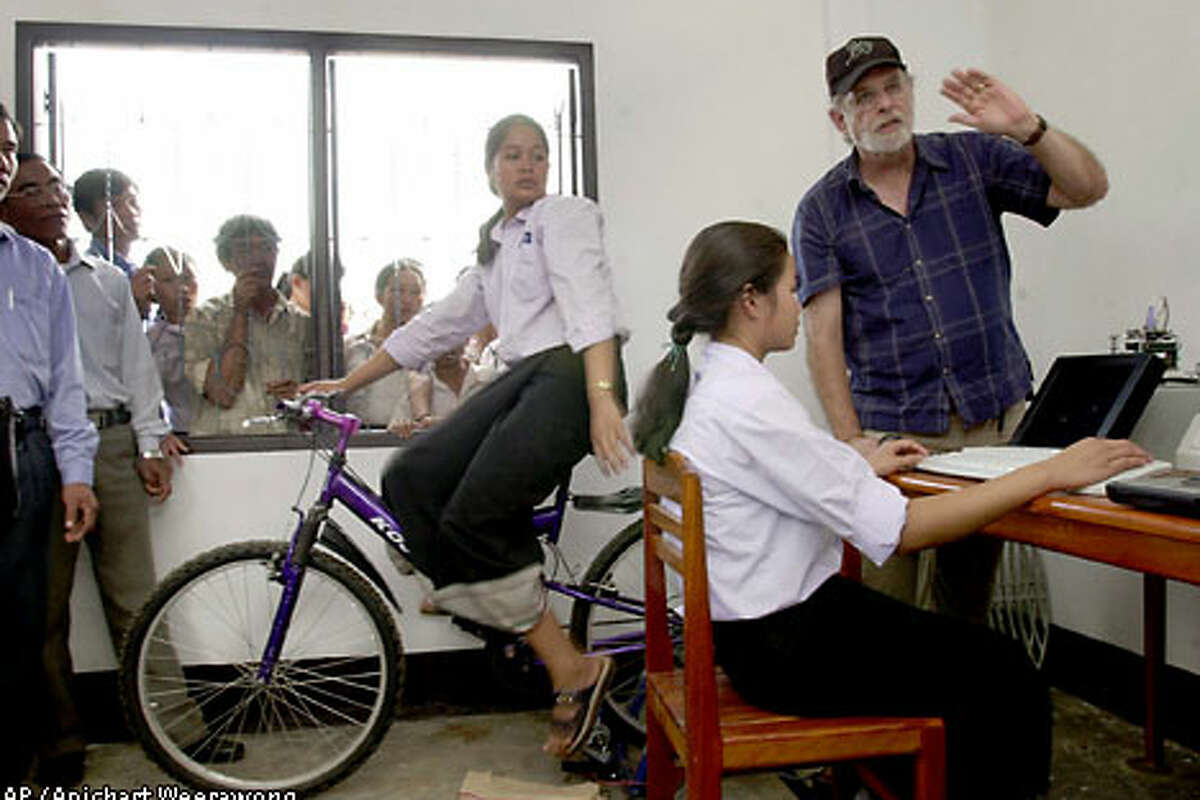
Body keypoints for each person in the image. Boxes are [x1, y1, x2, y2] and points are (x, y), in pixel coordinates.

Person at [633, 220, 1149, 800]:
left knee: (963, 661)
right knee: (1004, 672)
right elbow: (905, 529)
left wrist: (859, 465)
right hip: (784, 648)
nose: (800, 303)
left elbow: (782, 472)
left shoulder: (709, 381)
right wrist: (1049, 471)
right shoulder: (748, 399)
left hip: (750, 636)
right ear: (751, 300)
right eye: (792, 286)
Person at [301, 113, 630, 757]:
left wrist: (601, 397)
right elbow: (435, 327)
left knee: (475, 516)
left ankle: (573, 666)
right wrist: (345, 384)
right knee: (409, 476)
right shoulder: (498, 246)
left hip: (571, 371)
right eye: (512, 155)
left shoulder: (562, 215)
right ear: (490, 171)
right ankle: (476, 591)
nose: (528, 165)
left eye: (538, 154)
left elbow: (590, 303)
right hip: (527, 376)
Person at [793, 37, 1110, 620]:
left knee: (966, 604)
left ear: (911, 91)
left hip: (992, 427)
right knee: (887, 609)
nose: (885, 104)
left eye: (893, 88)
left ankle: (958, 711)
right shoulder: (822, 210)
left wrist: (1029, 130)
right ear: (840, 119)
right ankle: (895, 711)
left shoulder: (973, 160)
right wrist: (851, 443)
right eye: (864, 97)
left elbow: (1087, 189)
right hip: (895, 437)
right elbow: (823, 337)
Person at [1, 153, 239, 784]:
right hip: (33, 450)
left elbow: (137, 370)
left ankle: (176, 730)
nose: (51, 197)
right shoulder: (17, 279)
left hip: (107, 446)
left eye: (55, 185)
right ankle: (60, 742)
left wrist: (150, 442)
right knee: (42, 610)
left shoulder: (106, 281)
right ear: (6, 206)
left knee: (137, 596)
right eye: (32, 189)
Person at [0, 103, 99, 787]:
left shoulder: (35, 266)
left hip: (23, 450)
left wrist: (75, 473)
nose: (1, 159)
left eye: (6, 148)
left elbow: (67, 381)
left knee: (21, 620)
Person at [184, 215, 312, 435]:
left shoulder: (302, 324)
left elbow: (325, 397)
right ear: (226, 261)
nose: (258, 260)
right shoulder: (203, 320)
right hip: (229, 449)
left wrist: (301, 395)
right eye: (245, 251)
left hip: (290, 450)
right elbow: (223, 392)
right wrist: (240, 312)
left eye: (266, 248)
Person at [343, 259, 426, 427]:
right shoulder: (352, 348)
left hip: (410, 437)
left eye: (415, 292)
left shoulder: (429, 350)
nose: (407, 300)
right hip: (360, 440)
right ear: (379, 296)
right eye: (398, 291)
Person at [72, 168, 154, 319]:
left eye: (133, 202)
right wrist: (132, 302)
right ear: (87, 219)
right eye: (115, 205)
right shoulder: (87, 274)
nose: (130, 211)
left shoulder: (139, 271)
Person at [143, 246, 199, 433]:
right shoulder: (150, 341)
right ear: (152, 288)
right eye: (169, 280)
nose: (182, 288)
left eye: (187, 278)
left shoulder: (223, 327)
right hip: (180, 436)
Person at [389, 342, 496, 437]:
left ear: (466, 339)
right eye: (438, 341)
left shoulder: (490, 379)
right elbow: (394, 429)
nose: (446, 347)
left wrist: (443, 425)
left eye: (452, 338)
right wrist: (403, 429)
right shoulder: (415, 391)